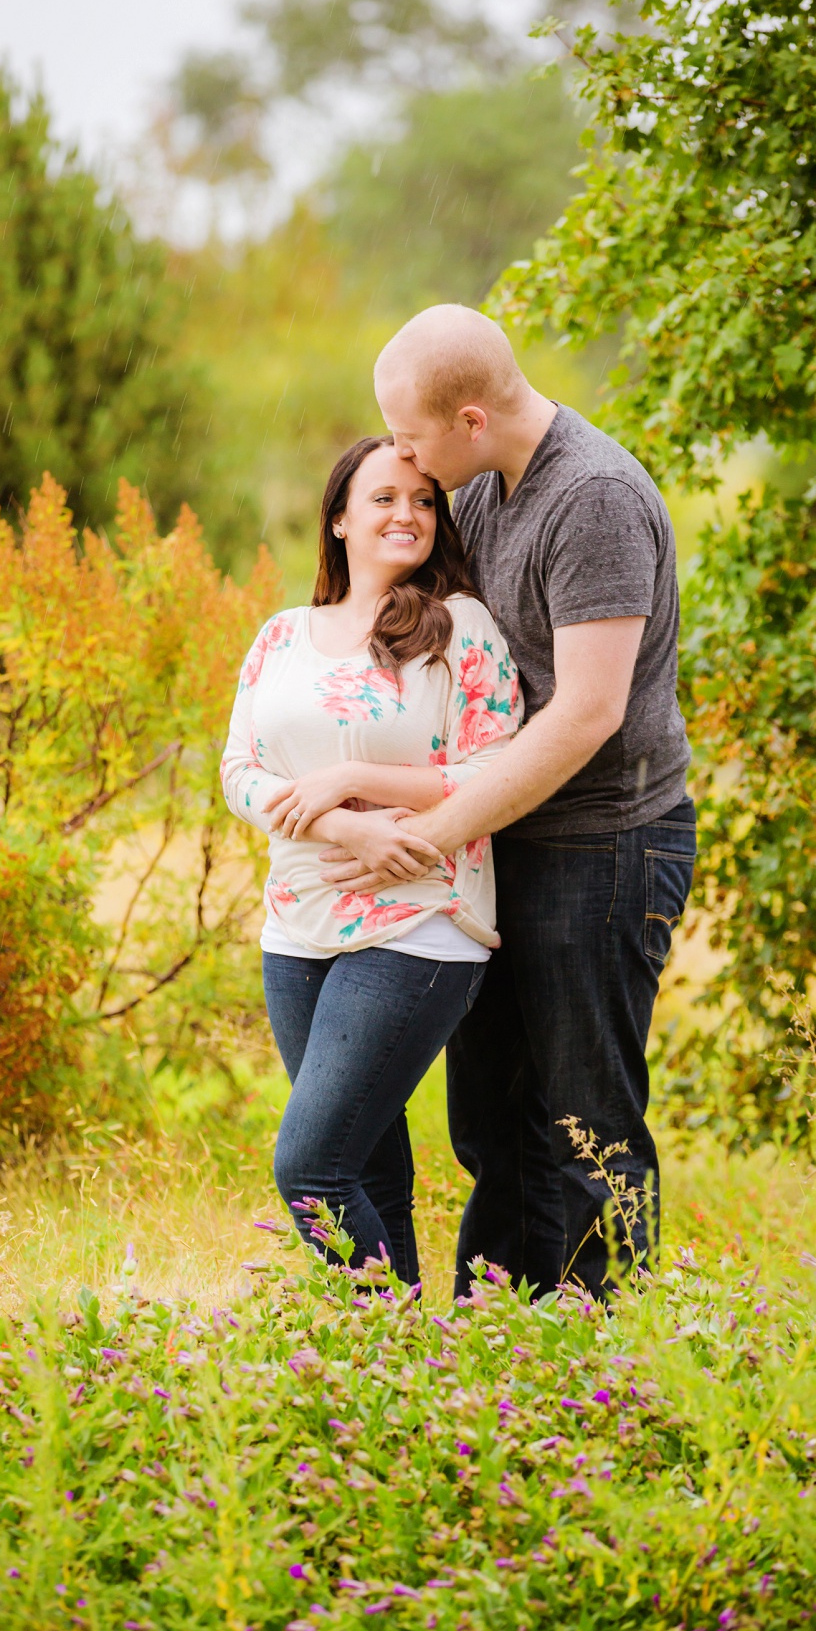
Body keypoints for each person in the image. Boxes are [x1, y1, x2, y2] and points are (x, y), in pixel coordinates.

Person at [318, 305, 696, 1300]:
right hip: (504, 836)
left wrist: (436, 832)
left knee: (583, 1120)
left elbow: (586, 716)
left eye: (411, 434)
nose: (403, 454)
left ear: (472, 419)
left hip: (607, 844)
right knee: (489, 1116)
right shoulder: (482, 491)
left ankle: (608, 1358)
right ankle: (503, 1335)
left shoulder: (596, 498)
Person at [221, 435, 522, 1286]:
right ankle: (402, 1379)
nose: (407, 514)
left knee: (310, 1170)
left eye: (425, 501)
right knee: (364, 1169)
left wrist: (354, 777)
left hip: (421, 921)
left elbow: (497, 767)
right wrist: (345, 829)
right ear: (341, 518)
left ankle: (382, 1346)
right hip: (297, 926)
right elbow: (240, 772)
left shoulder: (459, 624)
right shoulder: (282, 635)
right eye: (385, 497)